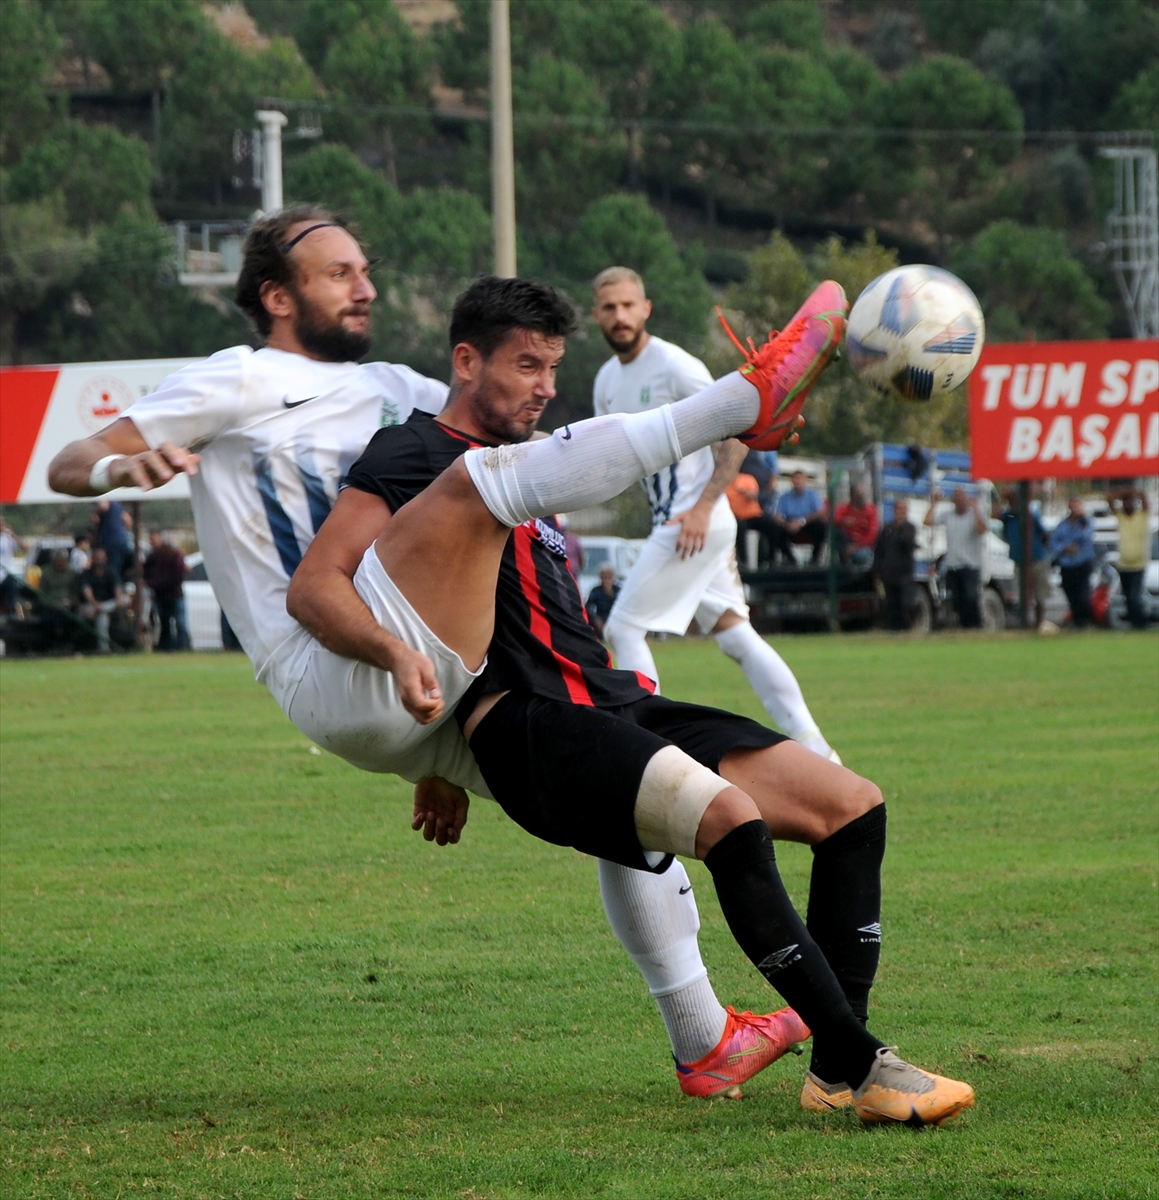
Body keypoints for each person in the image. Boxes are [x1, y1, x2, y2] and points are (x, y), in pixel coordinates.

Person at [48, 209, 841, 1102]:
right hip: (328, 652)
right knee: (483, 484)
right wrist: (123, 469)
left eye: (365, 269)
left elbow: (508, 472)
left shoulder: (400, 386)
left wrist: (440, 734)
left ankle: (703, 1037)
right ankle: (740, 398)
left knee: (607, 759)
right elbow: (70, 461)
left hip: (417, 670)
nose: (366, 287)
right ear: (276, 296)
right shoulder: (241, 378)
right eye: (339, 273)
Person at [291, 277, 973, 1126]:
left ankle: (836, 1064)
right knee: (729, 820)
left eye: (552, 368)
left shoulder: (533, 468)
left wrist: (427, 763)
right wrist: (409, 705)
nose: (543, 386)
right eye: (524, 365)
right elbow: (321, 587)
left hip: (611, 697)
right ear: (465, 362)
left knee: (851, 808)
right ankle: (862, 1064)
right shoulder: (410, 453)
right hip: (526, 723)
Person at [590, 266, 842, 764]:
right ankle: (817, 748)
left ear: (646, 309)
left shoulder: (676, 366)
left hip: (692, 522)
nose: (619, 316)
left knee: (622, 629)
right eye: (608, 308)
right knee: (735, 634)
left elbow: (733, 428)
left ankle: (651, 757)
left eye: (627, 305)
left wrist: (704, 508)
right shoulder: (605, 381)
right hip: (680, 521)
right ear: (596, 314)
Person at [924, 487, 988, 629]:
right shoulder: (948, 515)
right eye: (956, 499)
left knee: (971, 598)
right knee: (957, 600)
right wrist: (935, 503)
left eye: (961, 498)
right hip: (952, 565)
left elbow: (982, 530)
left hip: (970, 565)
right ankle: (964, 627)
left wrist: (976, 509)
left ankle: (976, 626)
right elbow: (927, 521)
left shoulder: (974, 515)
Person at [994, 487, 1053, 632]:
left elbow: (1044, 534)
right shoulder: (1009, 516)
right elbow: (994, 515)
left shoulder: (1029, 514)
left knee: (1040, 594)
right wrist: (1002, 499)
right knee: (1023, 596)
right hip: (1020, 561)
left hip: (1037, 559)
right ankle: (1026, 624)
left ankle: (1039, 624)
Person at [1107, 485, 1150, 630]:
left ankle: (1140, 623)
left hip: (1138, 564)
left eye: (1130, 502)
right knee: (1127, 596)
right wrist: (1124, 493)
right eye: (1126, 502)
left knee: (1134, 596)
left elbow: (1145, 501)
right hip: (1124, 565)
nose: (1128, 504)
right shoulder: (1121, 517)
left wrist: (1135, 493)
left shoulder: (1141, 516)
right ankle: (1134, 622)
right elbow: (1109, 499)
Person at [1050, 497, 1096, 629]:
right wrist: (1065, 548)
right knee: (1071, 594)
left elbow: (1086, 536)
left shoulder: (1086, 522)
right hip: (1067, 565)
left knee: (1083, 595)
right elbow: (1053, 542)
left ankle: (1086, 622)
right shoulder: (1063, 524)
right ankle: (1077, 621)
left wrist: (1082, 519)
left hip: (1082, 563)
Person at [143, 530, 189, 650]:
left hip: (174, 594)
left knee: (180, 623)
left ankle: (183, 646)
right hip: (163, 594)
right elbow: (146, 569)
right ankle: (168, 646)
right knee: (165, 623)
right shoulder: (156, 556)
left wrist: (152, 583)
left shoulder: (176, 557)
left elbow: (176, 575)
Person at [875, 500, 916, 631]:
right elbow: (879, 550)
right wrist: (877, 570)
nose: (900, 512)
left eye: (903, 509)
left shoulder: (909, 528)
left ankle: (906, 628)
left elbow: (908, 544)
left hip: (904, 574)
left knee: (905, 603)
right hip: (889, 574)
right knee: (891, 604)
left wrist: (900, 527)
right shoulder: (887, 529)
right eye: (898, 509)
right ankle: (894, 629)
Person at [77, 546, 126, 652]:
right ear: (92, 559)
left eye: (102, 558)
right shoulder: (86, 574)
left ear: (106, 559)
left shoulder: (111, 572)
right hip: (90, 606)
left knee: (126, 599)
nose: (99, 560)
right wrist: (95, 605)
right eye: (97, 558)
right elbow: (87, 592)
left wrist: (118, 599)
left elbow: (117, 588)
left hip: (107, 605)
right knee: (102, 618)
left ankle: (102, 609)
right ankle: (104, 650)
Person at [36, 548, 79, 650]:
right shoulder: (46, 572)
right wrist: (50, 604)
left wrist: (71, 603)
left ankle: (68, 644)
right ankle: (49, 647)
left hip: (68, 605)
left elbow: (76, 592)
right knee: (47, 620)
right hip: (50, 606)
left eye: (62, 560)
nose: (60, 563)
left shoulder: (73, 573)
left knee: (70, 620)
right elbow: (41, 593)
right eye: (57, 561)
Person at [834, 482, 878, 569]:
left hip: (863, 546)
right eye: (859, 494)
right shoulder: (844, 509)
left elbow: (872, 534)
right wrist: (843, 520)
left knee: (862, 556)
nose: (863, 497)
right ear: (852, 495)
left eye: (863, 494)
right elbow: (831, 518)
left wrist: (855, 547)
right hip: (846, 544)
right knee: (836, 530)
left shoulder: (871, 510)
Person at [94, 499, 132, 583]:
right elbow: (128, 520)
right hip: (123, 539)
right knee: (123, 567)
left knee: (113, 569)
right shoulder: (118, 505)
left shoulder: (106, 500)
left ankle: (115, 587)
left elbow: (102, 507)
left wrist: (97, 514)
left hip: (111, 541)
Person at [586, 566, 620, 638]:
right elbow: (589, 607)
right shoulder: (596, 591)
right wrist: (596, 618)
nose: (607, 580)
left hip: (616, 619)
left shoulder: (618, 591)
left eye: (609, 577)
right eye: (605, 577)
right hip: (601, 618)